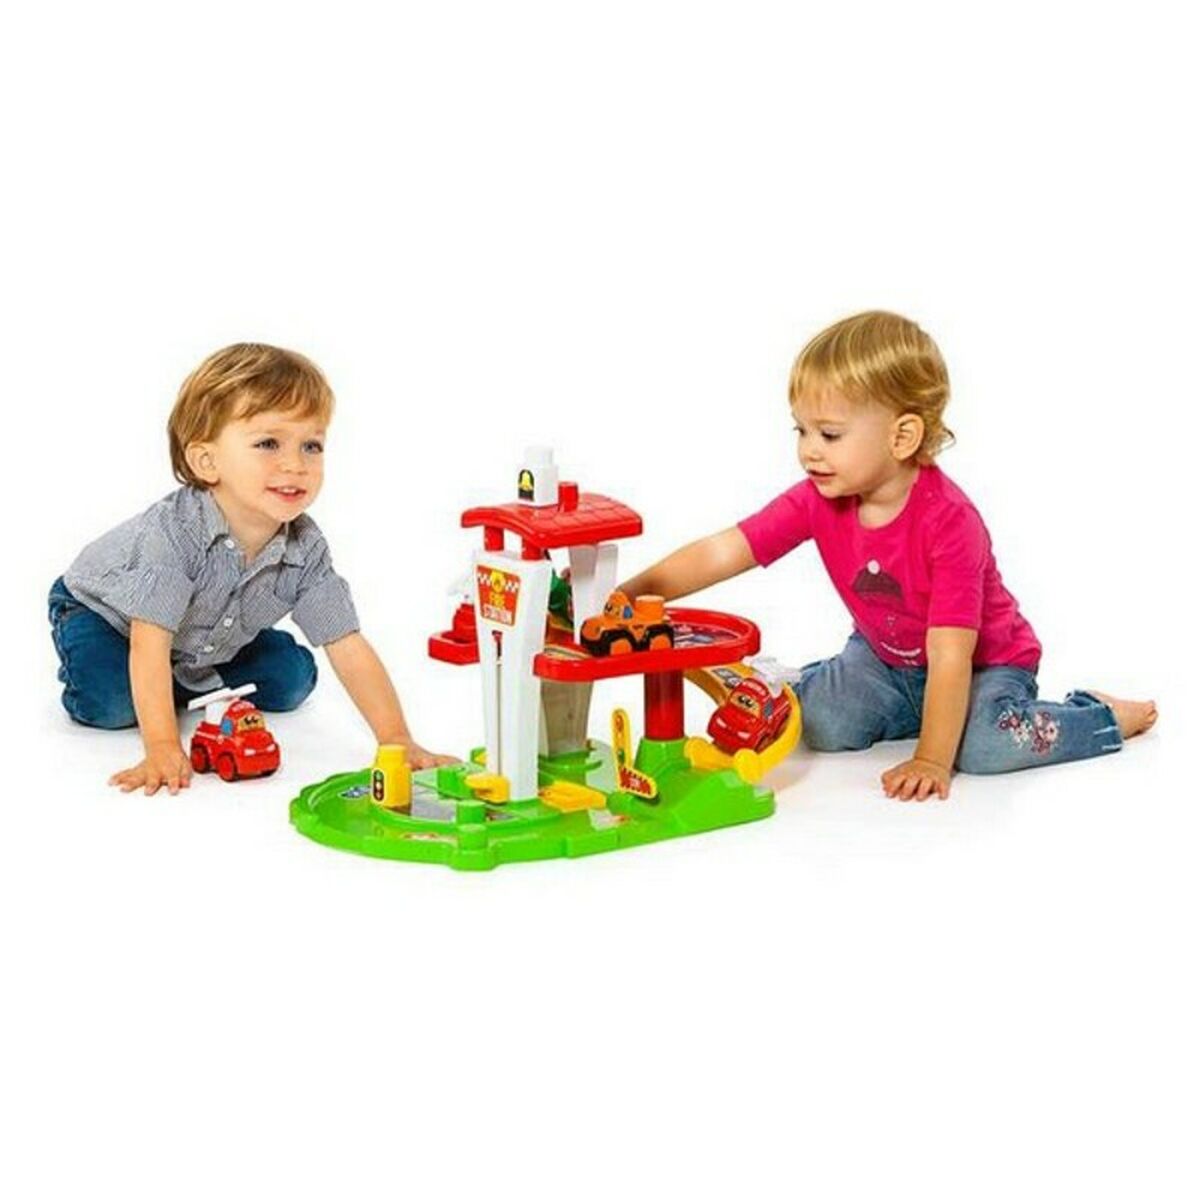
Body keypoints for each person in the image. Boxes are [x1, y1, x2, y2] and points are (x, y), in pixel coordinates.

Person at [622, 311, 1156, 800]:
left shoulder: (950, 521)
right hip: (886, 659)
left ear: (902, 437)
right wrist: (635, 592)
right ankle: (818, 688)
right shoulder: (816, 498)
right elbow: (726, 549)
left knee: (981, 751)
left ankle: (1099, 717)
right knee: (821, 724)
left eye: (829, 434)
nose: (808, 449)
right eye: (801, 430)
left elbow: (950, 654)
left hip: (982, 664)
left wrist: (932, 758)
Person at [49, 342, 453, 795]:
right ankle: (164, 686)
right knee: (110, 702)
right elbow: (149, 640)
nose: (295, 464)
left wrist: (396, 740)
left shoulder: (305, 546)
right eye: (268, 444)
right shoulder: (175, 534)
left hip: (202, 631)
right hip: (110, 618)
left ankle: (180, 678)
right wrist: (162, 745)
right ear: (206, 461)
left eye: (311, 445)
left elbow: (346, 641)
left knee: (291, 681)